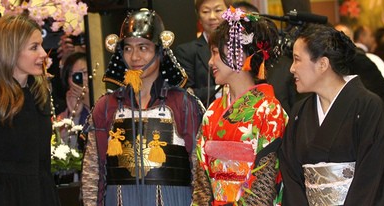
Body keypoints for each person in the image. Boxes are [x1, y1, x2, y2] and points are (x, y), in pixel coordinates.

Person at [81, 9, 204, 205]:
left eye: (143, 48)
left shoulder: (184, 104)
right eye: (128, 48)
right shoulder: (106, 106)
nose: (135, 57)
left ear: (160, 51)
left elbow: (200, 170)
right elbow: (93, 172)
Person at [279, 23, 384, 205]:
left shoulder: (368, 107)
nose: (292, 68)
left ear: (323, 64)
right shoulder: (300, 112)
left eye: (297, 59)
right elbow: (291, 176)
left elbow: (375, 175)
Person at [191, 7, 288, 205]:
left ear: (239, 53)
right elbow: (202, 179)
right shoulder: (212, 111)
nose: (210, 62)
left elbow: (265, 182)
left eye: (216, 53)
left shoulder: (269, 110)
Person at [0, 14, 60, 206]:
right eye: (34, 47)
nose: (43, 53)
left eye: (40, 45)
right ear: (11, 51)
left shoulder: (40, 93)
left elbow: (44, 165)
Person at [174, 0, 231, 108]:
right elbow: (185, 94)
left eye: (218, 10)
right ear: (198, 17)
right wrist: (221, 90)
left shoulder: (239, 47)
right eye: (205, 12)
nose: (212, 16)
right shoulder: (186, 51)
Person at [56, 51, 90, 150]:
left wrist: (90, 104)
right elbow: (65, 151)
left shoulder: (110, 102)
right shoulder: (63, 117)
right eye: (73, 76)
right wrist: (74, 116)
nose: (79, 80)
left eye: (84, 73)